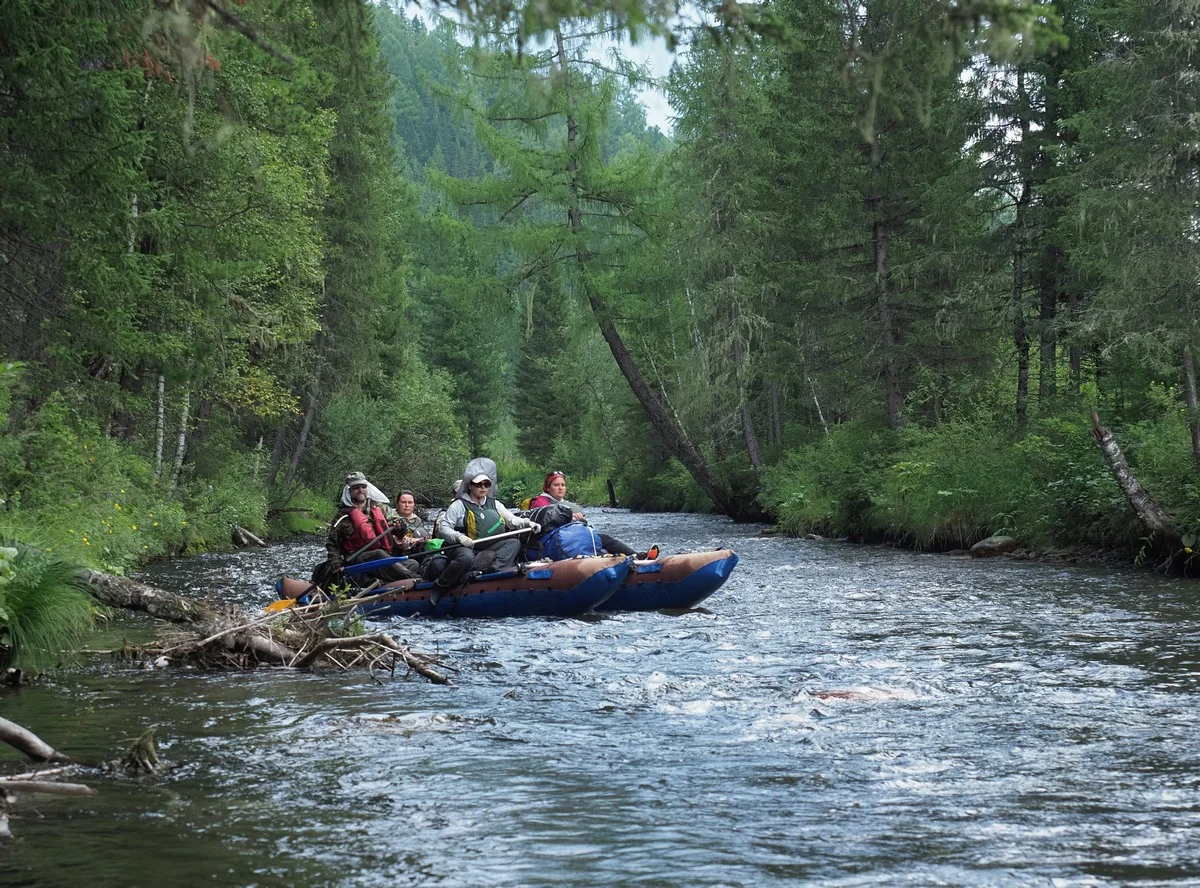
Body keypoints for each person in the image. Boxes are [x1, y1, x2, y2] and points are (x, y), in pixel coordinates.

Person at [435, 457, 541, 590]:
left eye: (486, 484)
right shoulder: (459, 505)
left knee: (514, 543)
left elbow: (511, 519)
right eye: (479, 484)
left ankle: (493, 571)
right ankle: (440, 586)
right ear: (470, 485)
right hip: (464, 546)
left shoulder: (494, 503)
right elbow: (444, 528)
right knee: (466, 559)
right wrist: (459, 537)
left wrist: (528, 523)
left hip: (487, 546)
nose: (483, 487)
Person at [529, 470, 656, 559]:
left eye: (563, 485)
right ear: (548, 488)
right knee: (593, 543)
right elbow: (545, 523)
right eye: (556, 485)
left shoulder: (567, 504)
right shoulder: (540, 501)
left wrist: (581, 521)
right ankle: (612, 559)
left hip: (571, 536)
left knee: (604, 539)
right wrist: (571, 518)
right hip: (551, 541)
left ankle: (637, 556)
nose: (561, 488)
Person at [324, 472, 420, 584]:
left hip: (382, 557)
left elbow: (401, 529)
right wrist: (336, 562)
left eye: (363, 487)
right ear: (349, 491)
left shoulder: (380, 508)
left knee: (413, 563)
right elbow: (332, 544)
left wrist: (400, 526)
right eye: (356, 487)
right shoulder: (343, 516)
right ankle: (416, 579)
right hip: (358, 559)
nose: (360, 490)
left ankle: (383, 582)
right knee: (378, 554)